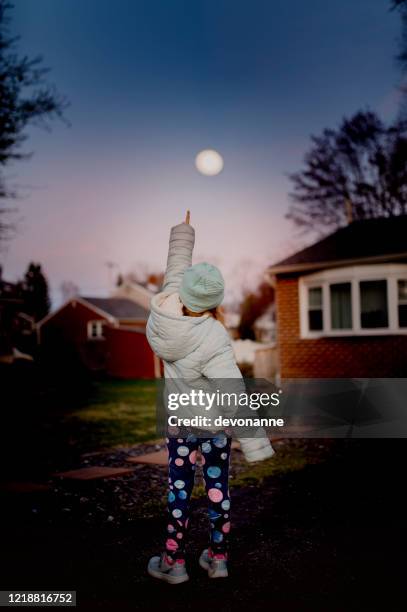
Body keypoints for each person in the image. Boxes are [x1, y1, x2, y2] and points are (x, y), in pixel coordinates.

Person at [146, 211, 274, 584]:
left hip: (181, 428)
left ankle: (175, 563)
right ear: (216, 301)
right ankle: (218, 560)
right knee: (217, 490)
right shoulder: (214, 337)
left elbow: (175, 269)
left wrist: (183, 232)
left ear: (183, 292)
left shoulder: (162, 314)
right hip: (214, 429)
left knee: (179, 491)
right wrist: (256, 444)